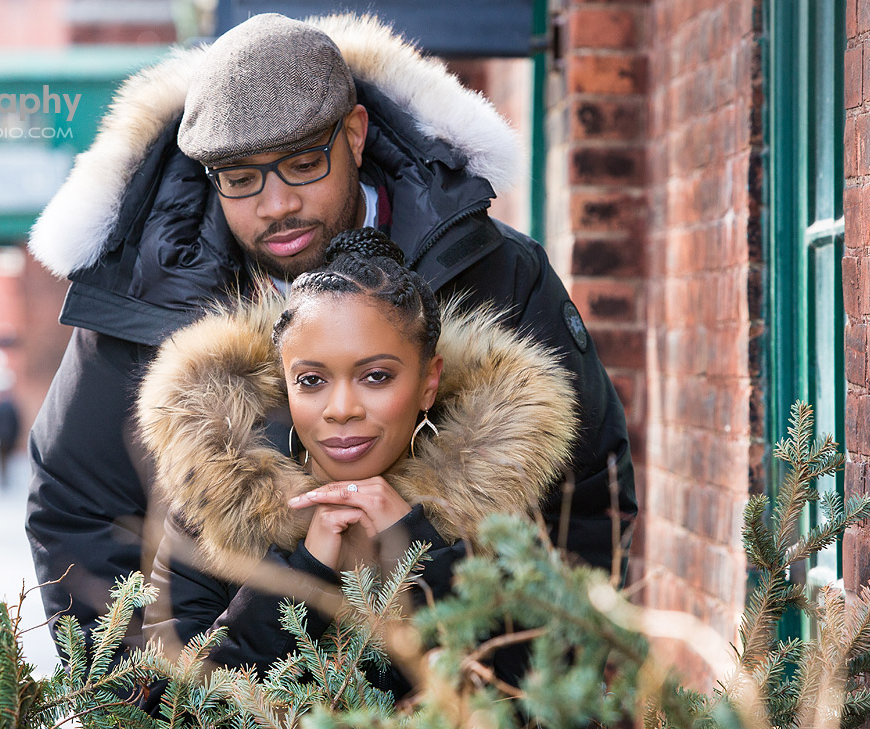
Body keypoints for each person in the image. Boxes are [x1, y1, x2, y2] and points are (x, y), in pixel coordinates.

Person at [26, 13, 636, 662]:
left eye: (301, 163)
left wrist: (554, 701)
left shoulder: (491, 270)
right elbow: (78, 509)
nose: (276, 204)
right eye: (240, 178)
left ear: (353, 133)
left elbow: (587, 500)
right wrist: (150, 726)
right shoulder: (140, 298)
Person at [136, 229, 579, 688]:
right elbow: (165, 724)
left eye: (376, 376)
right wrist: (303, 575)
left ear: (429, 382)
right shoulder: (212, 509)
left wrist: (415, 548)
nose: (341, 408)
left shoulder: (499, 516)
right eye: (310, 380)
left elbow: (536, 707)